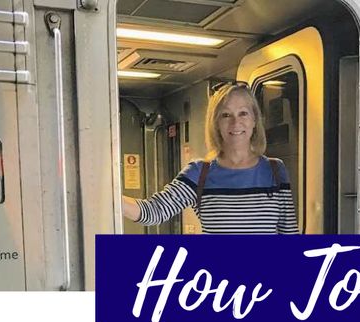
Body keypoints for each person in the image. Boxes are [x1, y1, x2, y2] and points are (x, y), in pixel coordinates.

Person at [121, 82, 299, 234]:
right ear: (216, 124)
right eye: (226, 115)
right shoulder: (199, 173)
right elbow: (154, 211)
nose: (235, 122)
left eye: (243, 113)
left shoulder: (275, 170)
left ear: (254, 120)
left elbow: (289, 234)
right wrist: (107, 197)